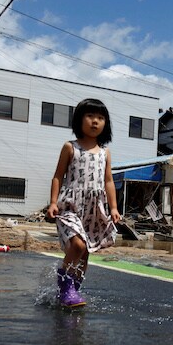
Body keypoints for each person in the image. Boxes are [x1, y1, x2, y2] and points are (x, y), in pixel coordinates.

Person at [47, 98, 121, 308]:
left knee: (85, 252)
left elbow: (108, 181)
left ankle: (73, 290)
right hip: (71, 204)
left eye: (100, 117)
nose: (95, 121)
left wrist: (113, 208)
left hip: (94, 209)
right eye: (90, 116)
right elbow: (58, 176)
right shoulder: (70, 147)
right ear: (79, 120)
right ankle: (65, 286)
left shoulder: (105, 153)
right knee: (78, 245)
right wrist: (53, 203)